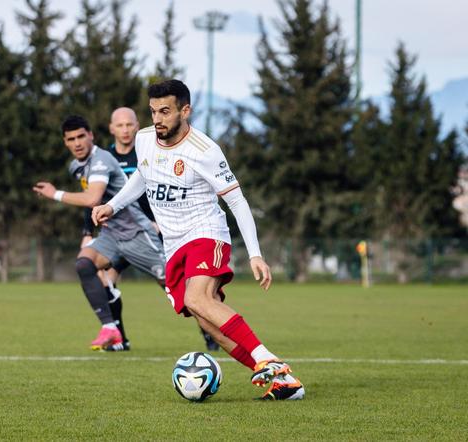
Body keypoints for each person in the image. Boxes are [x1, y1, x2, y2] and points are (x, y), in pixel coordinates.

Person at [92, 79, 304, 400]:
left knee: (197, 299)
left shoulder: (204, 150)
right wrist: (112, 204)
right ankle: (284, 383)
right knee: (208, 322)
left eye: (165, 111)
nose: (158, 119)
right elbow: (142, 176)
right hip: (173, 244)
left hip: (206, 234)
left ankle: (268, 360)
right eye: (153, 112)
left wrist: (255, 254)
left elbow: (237, 201)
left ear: (185, 110)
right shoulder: (145, 139)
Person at [82, 107, 219, 352]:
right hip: (115, 235)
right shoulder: (106, 159)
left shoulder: (148, 151)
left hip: (149, 233)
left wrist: (158, 221)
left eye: (129, 125)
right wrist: (87, 232)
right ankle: (119, 339)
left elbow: (160, 190)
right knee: (105, 282)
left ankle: (209, 332)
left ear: (137, 126)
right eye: (120, 125)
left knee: (174, 286)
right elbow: (93, 196)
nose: (125, 130)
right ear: (111, 128)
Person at [33, 115, 166, 351]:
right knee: (84, 264)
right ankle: (110, 329)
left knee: (181, 296)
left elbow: (93, 198)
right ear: (65, 142)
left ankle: (218, 326)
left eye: (81, 136)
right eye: (71, 139)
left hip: (137, 234)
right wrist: (88, 232)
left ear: (91, 135)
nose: (77, 143)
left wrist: (55, 194)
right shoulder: (76, 166)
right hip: (111, 237)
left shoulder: (102, 160)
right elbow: (91, 204)